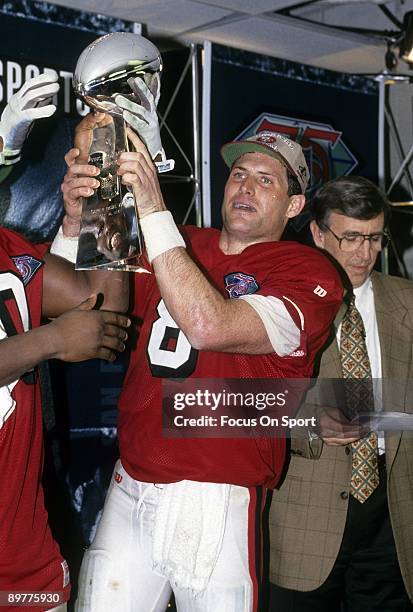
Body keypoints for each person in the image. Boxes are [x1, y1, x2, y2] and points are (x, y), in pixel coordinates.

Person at [59, 97, 344, 609]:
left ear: (295, 206)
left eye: (266, 179)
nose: (245, 186)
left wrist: (150, 206)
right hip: (132, 485)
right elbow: (95, 304)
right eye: (238, 173)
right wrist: (86, 212)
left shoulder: (308, 271)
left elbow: (209, 325)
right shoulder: (181, 240)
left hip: (217, 497)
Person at [0, 81, 130, 612]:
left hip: (23, 553)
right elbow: (68, 333)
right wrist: (51, 340)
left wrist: (103, 201)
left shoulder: (11, 252)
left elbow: (100, 306)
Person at [269, 175, 413, 611]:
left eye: (374, 238)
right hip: (305, 520)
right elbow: (246, 403)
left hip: (393, 520)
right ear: (317, 232)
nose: (364, 253)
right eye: (350, 237)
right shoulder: (276, 300)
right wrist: (309, 423)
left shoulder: (407, 302)